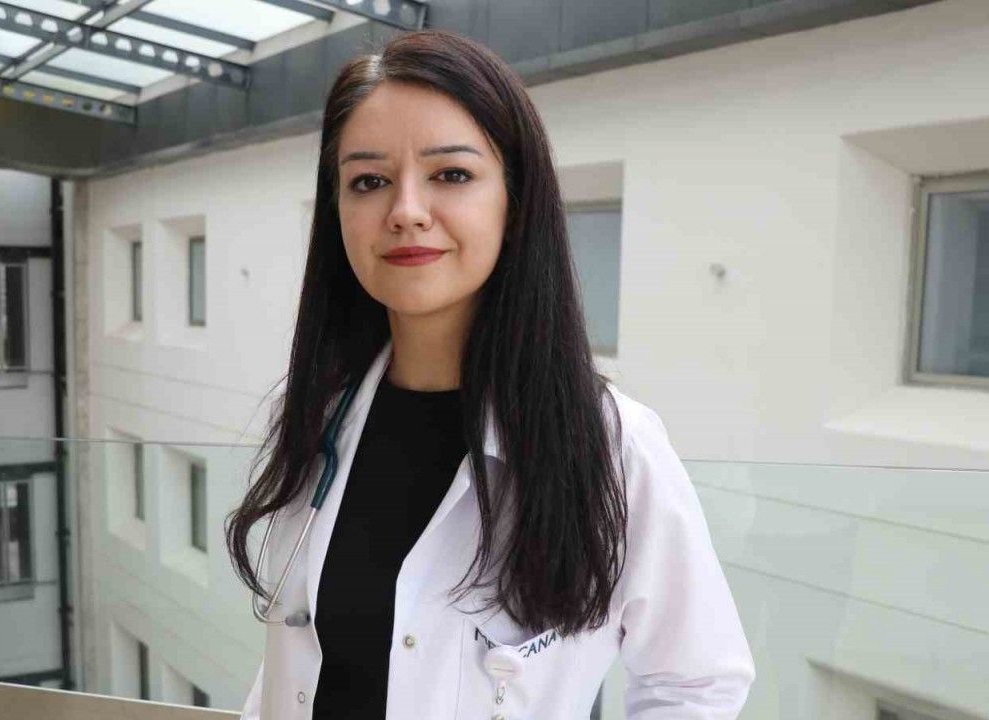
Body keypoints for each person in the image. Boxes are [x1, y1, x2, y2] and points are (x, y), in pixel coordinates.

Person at [227, 29, 754, 720]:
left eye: (451, 174)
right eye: (369, 181)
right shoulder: (317, 418)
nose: (405, 211)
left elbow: (697, 684)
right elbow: (298, 664)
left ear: (516, 201)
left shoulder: (613, 446)